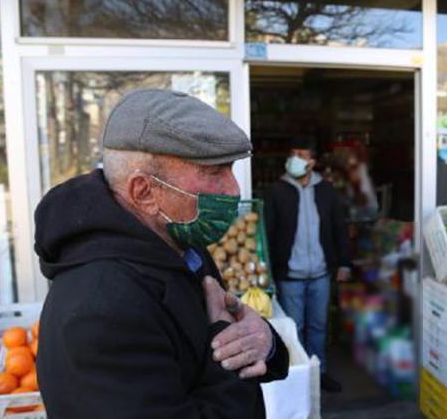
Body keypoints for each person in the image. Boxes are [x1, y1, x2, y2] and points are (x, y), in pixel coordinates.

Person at [34, 89, 289, 418]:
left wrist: (265, 344)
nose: (233, 189)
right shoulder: (99, 309)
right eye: (214, 173)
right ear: (144, 192)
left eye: (230, 169)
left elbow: (209, 350)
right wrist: (225, 345)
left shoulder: (181, 245)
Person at [264, 137, 351, 393]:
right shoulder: (277, 190)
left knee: (318, 327)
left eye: (301, 154)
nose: (295, 159)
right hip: (289, 274)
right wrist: (268, 270)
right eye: (292, 153)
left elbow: (339, 228)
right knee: (294, 329)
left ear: (312, 162)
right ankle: (296, 378)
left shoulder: (326, 191)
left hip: (321, 274)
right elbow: (268, 231)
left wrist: (344, 263)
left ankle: (319, 374)